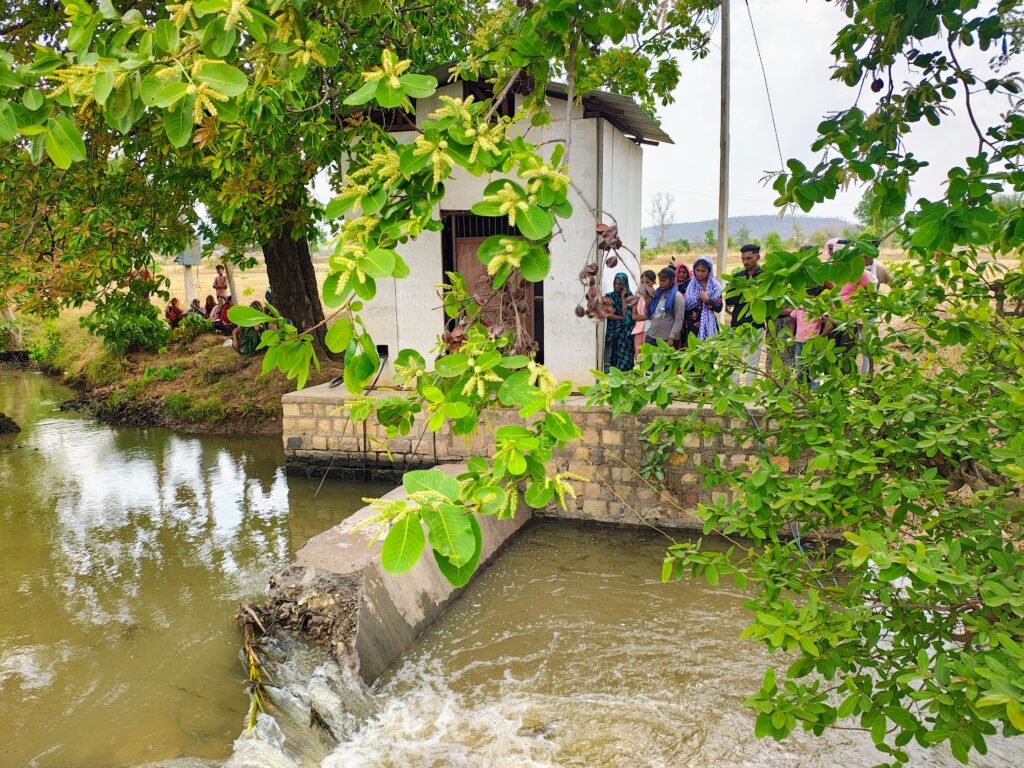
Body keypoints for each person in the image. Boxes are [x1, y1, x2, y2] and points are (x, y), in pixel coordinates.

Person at [726, 244, 765, 384]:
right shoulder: (738, 277)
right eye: (743, 259)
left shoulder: (764, 277)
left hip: (756, 324)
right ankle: (735, 389)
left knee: (753, 362)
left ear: (757, 257)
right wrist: (749, 295)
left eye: (749, 258)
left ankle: (750, 391)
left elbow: (766, 299)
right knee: (734, 358)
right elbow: (729, 299)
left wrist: (741, 295)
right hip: (737, 323)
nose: (746, 262)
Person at [684, 256, 724, 342]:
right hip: (691, 325)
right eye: (697, 270)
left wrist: (708, 300)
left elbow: (719, 308)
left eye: (703, 271)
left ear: (709, 271)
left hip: (710, 324)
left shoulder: (715, 287)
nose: (700, 273)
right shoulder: (688, 284)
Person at [645, 266, 686, 347]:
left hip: (667, 339)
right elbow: (649, 316)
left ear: (672, 280)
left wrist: (671, 337)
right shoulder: (656, 294)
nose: (661, 283)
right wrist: (647, 305)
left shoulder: (677, 297)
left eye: (664, 281)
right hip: (652, 336)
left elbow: (679, 320)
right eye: (660, 280)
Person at [603, 273, 635, 372]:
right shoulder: (609, 296)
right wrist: (622, 318)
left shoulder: (630, 298)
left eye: (620, 284)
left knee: (625, 357)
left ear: (625, 284)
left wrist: (623, 298)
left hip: (625, 333)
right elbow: (609, 315)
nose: (617, 286)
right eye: (615, 283)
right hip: (612, 331)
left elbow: (628, 316)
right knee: (610, 356)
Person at [628, 270, 656, 357]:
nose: (644, 285)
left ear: (653, 282)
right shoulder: (637, 296)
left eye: (647, 282)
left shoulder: (656, 296)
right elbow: (634, 316)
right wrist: (648, 316)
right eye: (642, 282)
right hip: (639, 329)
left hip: (652, 329)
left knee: (649, 356)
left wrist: (649, 317)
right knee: (639, 356)